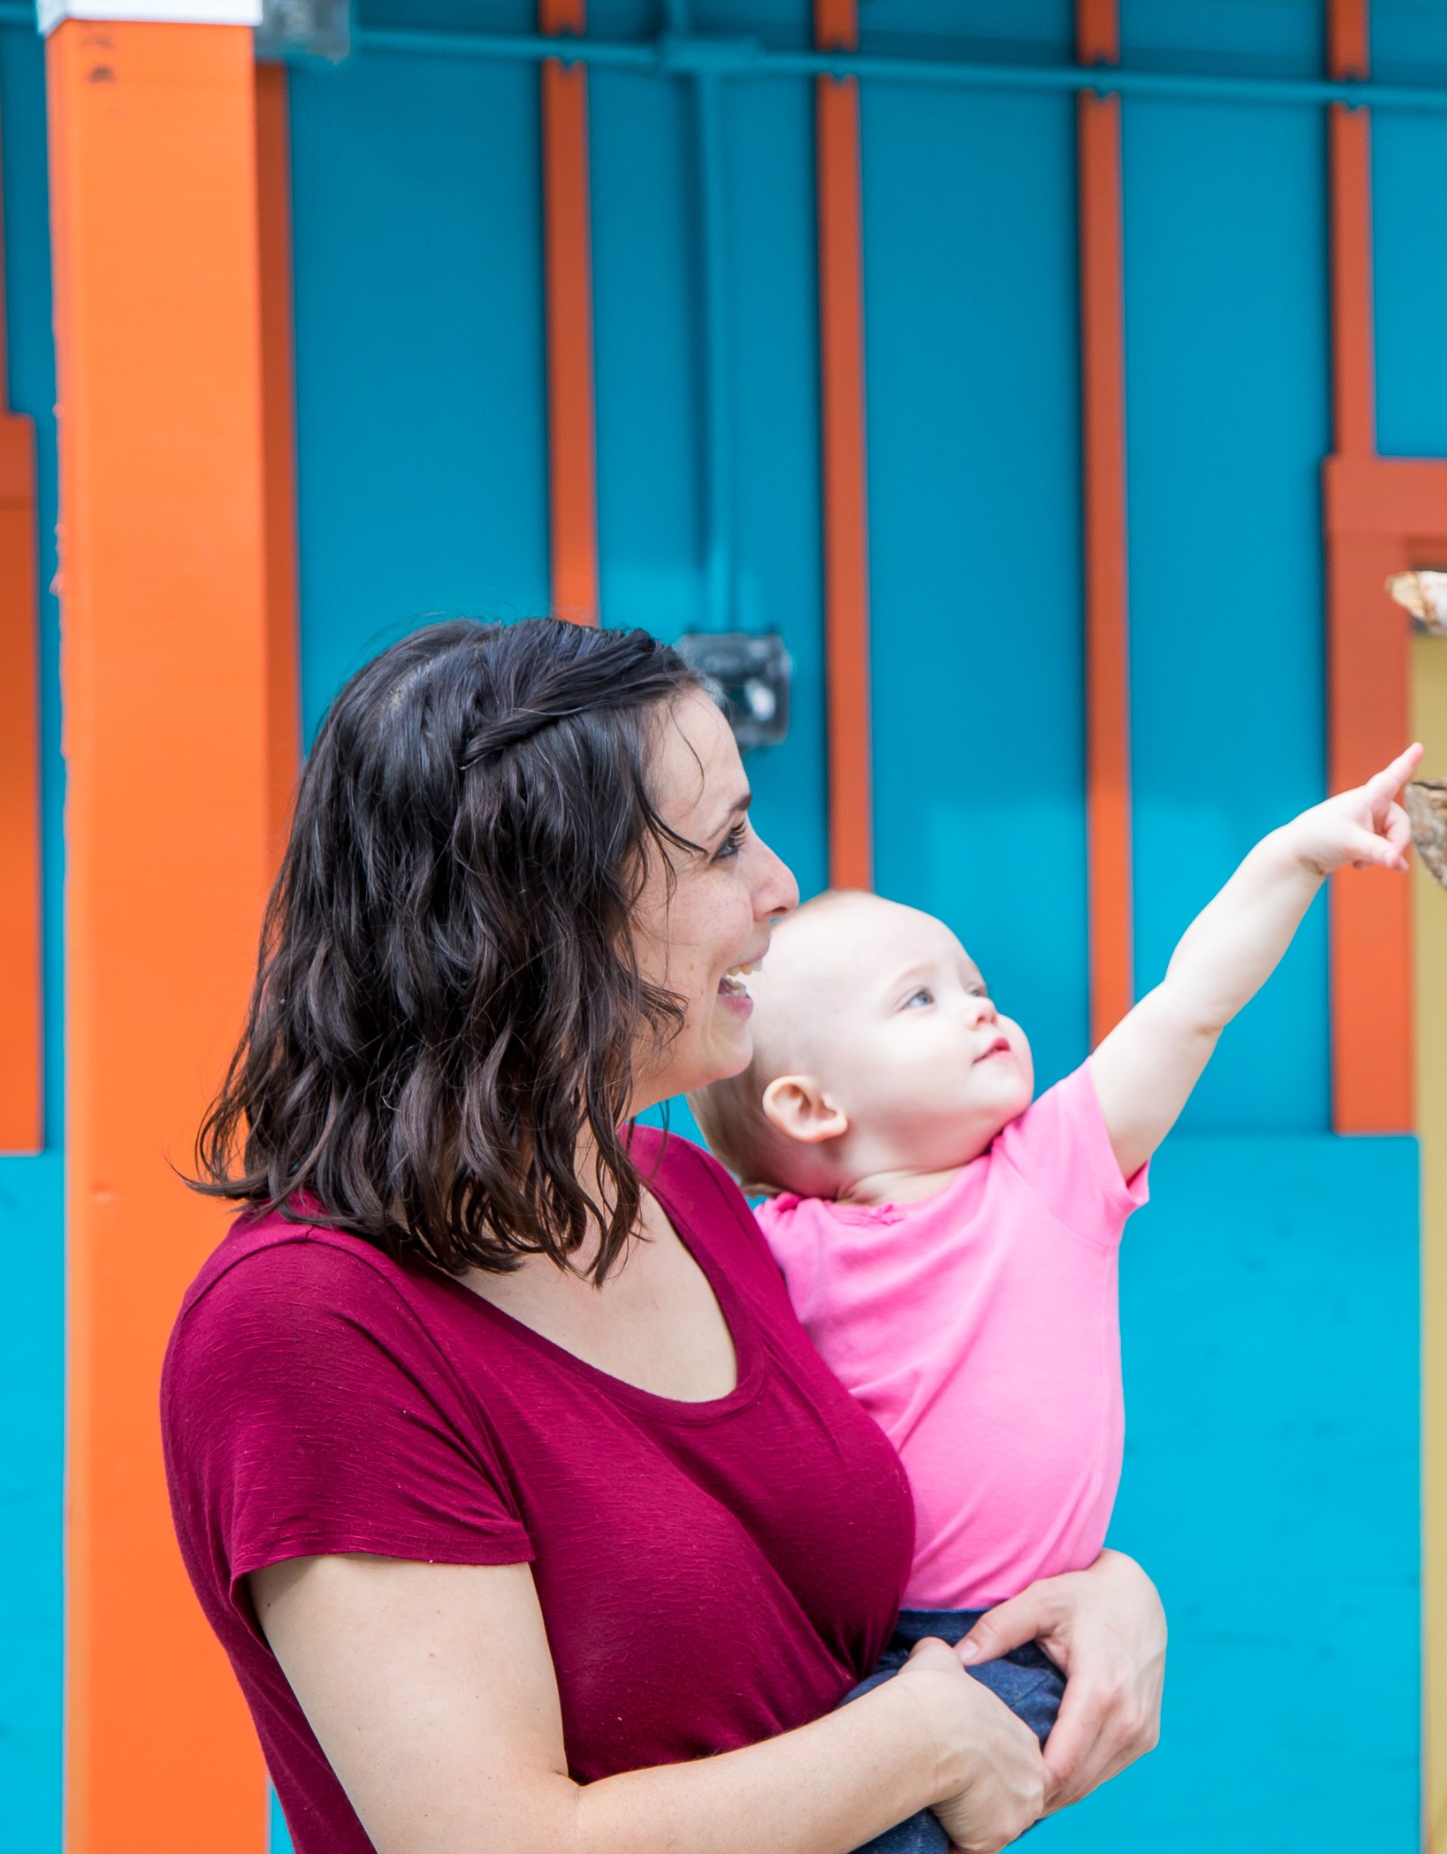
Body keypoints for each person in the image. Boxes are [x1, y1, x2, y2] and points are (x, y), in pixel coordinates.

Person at [162, 619, 1164, 1854]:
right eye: (725, 842)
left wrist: (1094, 1593)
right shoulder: (310, 1325)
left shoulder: (688, 1195)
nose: (780, 885)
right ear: (545, 911)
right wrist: (921, 1738)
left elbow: (857, 1595)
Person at [687, 745, 1422, 1853]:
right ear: (806, 1100)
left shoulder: (1054, 1169)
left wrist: (1291, 857)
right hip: (830, 1643)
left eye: (976, 984)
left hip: (1004, 1640)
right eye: (921, 999)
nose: (984, 1009)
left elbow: (1190, 1005)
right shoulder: (767, 1243)